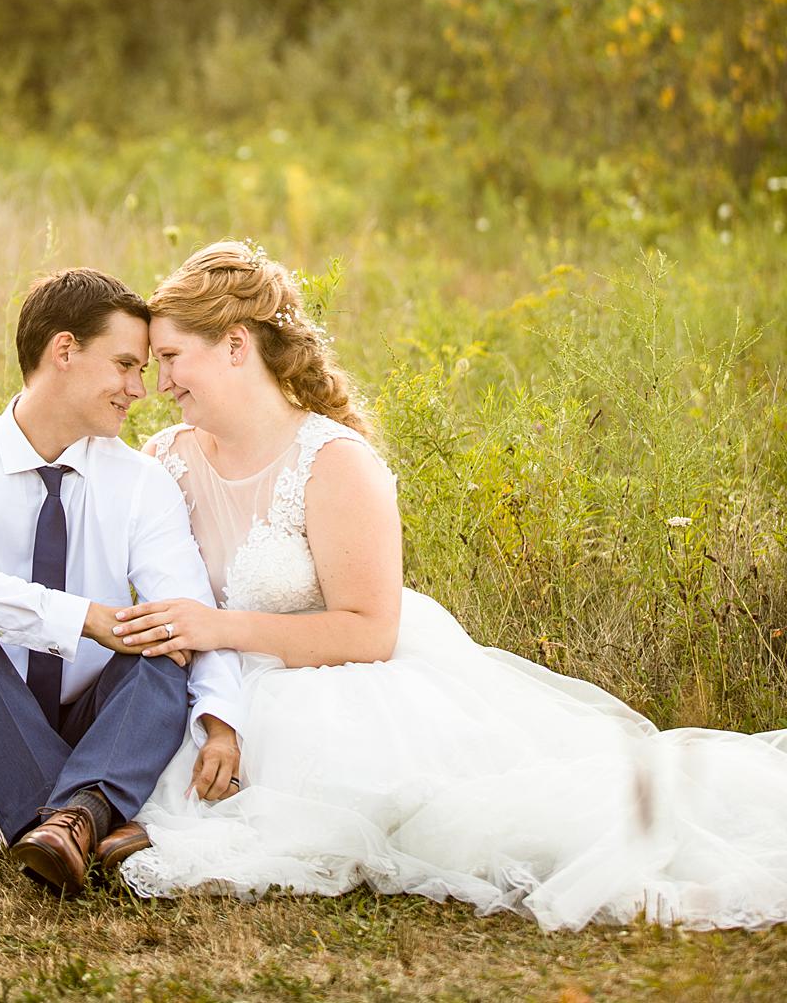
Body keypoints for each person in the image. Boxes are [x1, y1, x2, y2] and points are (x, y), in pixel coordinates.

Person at [110, 241, 787, 930]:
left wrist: (220, 628)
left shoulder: (335, 464)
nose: (160, 382)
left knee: (446, 818)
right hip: (209, 678)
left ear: (233, 346)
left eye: (170, 358)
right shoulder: (163, 459)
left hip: (336, 684)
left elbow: (370, 631)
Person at [0, 266, 242, 894]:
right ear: (65, 350)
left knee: (162, 636)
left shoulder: (140, 482)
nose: (140, 388)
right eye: (126, 365)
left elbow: (188, 611)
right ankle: (96, 815)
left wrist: (221, 720)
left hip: (84, 733)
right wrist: (79, 617)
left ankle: (71, 822)